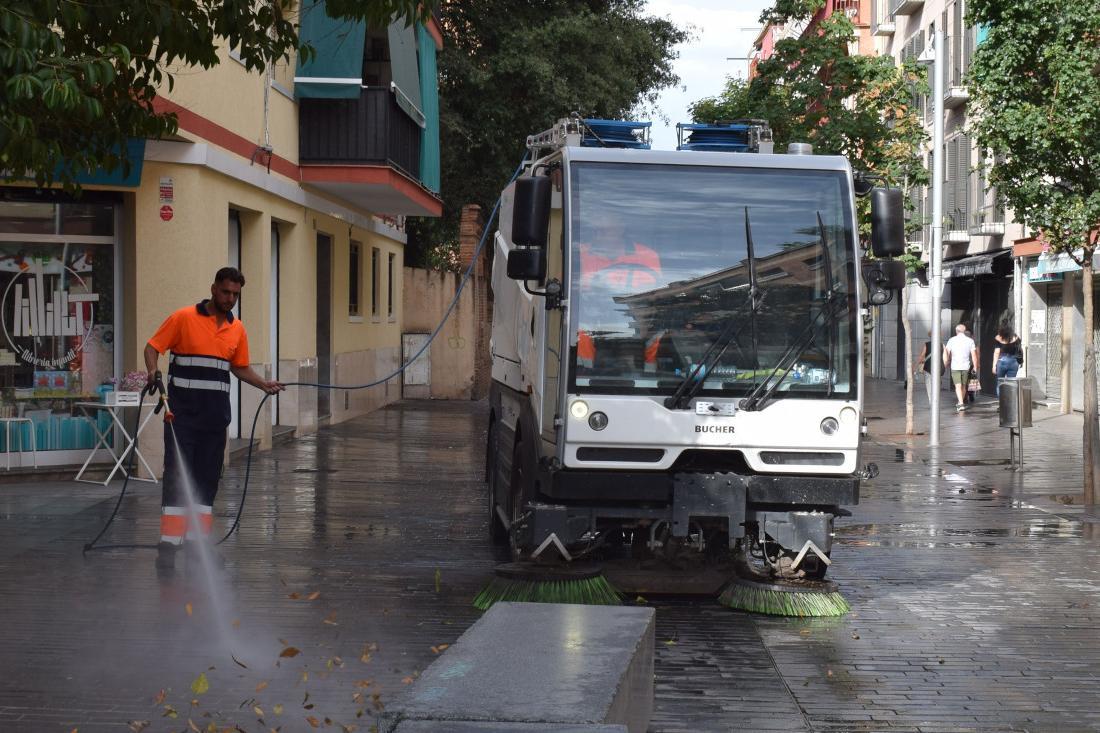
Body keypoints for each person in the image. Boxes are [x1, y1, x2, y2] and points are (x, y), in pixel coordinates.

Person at [145, 267, 284, 571]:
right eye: (225, 292)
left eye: (235, 294)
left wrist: (264, 383)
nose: (230, 299)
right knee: (177, 476)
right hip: (181, 417)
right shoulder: (183, 318)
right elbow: (152, 348)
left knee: (207, 482)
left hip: (215, 418)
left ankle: (197, 546)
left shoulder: (237, 329)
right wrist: (153, 373)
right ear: (213, 288)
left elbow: (239, 366)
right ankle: (168, 548)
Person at [575, 212, 663, 372]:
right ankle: (584, 375)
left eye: (604, 231)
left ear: (621, 229)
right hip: (594, 319)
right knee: (580, 334)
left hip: (636, 316)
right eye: (596, 231)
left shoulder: (647, 256)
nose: (599, 236)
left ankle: (651, 379)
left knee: (659, 337)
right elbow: (575, 296)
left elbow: (655, 296)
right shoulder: (578, 255)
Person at [943, 323, 979, 412]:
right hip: (966, 366)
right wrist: (975, 366)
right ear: (964, 331)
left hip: (955, 366)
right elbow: (974, 355)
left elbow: (946, 352)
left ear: (956, 331)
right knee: (963, 386)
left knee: (958, 385)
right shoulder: (970, 341)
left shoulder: (952, 340)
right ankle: (960, 403)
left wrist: (945, 362)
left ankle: (961, 403)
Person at [992, 325, 1022, 396]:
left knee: (1000, 383)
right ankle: (1010, 403)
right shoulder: (1017, 339)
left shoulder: (998, 339)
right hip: (1014, 362)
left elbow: (997, 352)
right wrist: (1020, 362)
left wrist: (994, 366)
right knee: (1011, 383)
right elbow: (1019, 351)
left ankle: (1002, 403)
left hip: (1002, 361)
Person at [913, 331, 935, 405]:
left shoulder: (927, 345)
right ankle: (934, 400)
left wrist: (915, 365)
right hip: (937, 369)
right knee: (935, 385)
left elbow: (922, 356)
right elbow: (945, 358)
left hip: (928, 368)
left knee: (929, 385)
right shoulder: (941, 345)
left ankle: (931, 401)